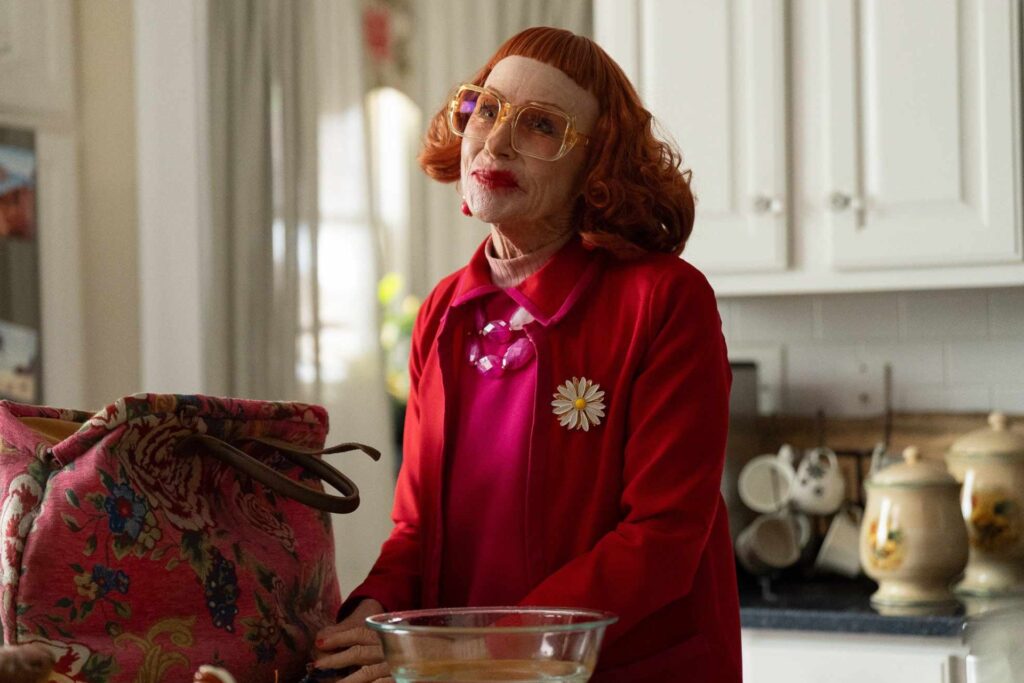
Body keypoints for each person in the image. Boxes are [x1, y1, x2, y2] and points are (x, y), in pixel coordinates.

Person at [313, 26, 741, 682]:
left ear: (596, 166)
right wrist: (373, 617)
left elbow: (661, 538)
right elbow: (417, 532)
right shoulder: (443, 312)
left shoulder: (665, 299)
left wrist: (473, 652)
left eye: (541, 125)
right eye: (485, 109)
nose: (496, 140)